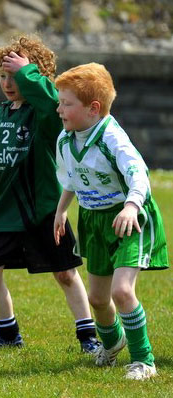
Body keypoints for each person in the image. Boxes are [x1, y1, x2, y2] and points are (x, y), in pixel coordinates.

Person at [0, 34, 100, 353]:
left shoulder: (47, 113)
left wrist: (27, 72)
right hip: (6, 209)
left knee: (64, 273)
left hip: (42, 207)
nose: (8, 82)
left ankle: (88, 336)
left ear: (35, 75)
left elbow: (49, 100)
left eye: (15, 75)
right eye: (3, 75)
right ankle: (8, 335)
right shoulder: (1, 113)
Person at [54, 62, 169, 380]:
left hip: (128, 219)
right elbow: (71, 179)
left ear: (93, 108)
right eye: (59, 102)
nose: (59, 110)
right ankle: (112, 341)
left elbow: (139, 174)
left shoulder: (113, 138)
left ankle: (144, 361)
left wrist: (131, 207)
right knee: (97, 299)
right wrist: (62, 210)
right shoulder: (66, 139)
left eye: (66, 104)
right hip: (93, 220)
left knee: (121, 291)